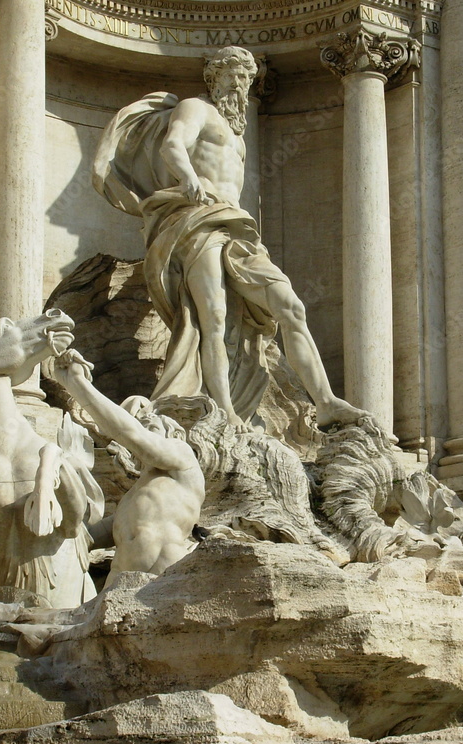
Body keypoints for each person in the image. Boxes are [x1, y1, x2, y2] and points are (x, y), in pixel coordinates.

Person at [93, 46, 364, 429]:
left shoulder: (237, 134)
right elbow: (173, 144)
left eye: (245, 77)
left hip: (236, 226)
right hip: (196, 219)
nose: (238, 84)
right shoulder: (196, 108)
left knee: (290, 305)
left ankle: (327, 401)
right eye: (231, 75)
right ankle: (225, 411)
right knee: (213, 319)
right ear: (213, 78)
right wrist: (188, 178)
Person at [49, 349, 205, 578]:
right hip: (119, 576)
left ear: (176, 434)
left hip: (164, 568)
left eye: (151, 426)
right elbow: (87, 536)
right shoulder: (136, 495)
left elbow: (131, 434)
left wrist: (76, 383)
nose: (143, 428)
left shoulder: (184, 460)